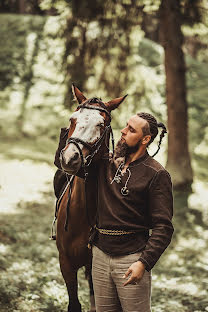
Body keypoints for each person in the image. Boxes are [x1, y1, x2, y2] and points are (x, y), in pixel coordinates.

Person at [54, 112, 174, 312]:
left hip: (131, 259)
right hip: (100, 257)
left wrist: (143, 263)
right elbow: (63, 164)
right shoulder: (105, 165)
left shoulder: (157, 174)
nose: (123, 131)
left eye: (131, 130)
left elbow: (164, 227)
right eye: (126, 126)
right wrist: (79, 120)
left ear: (145, 140)